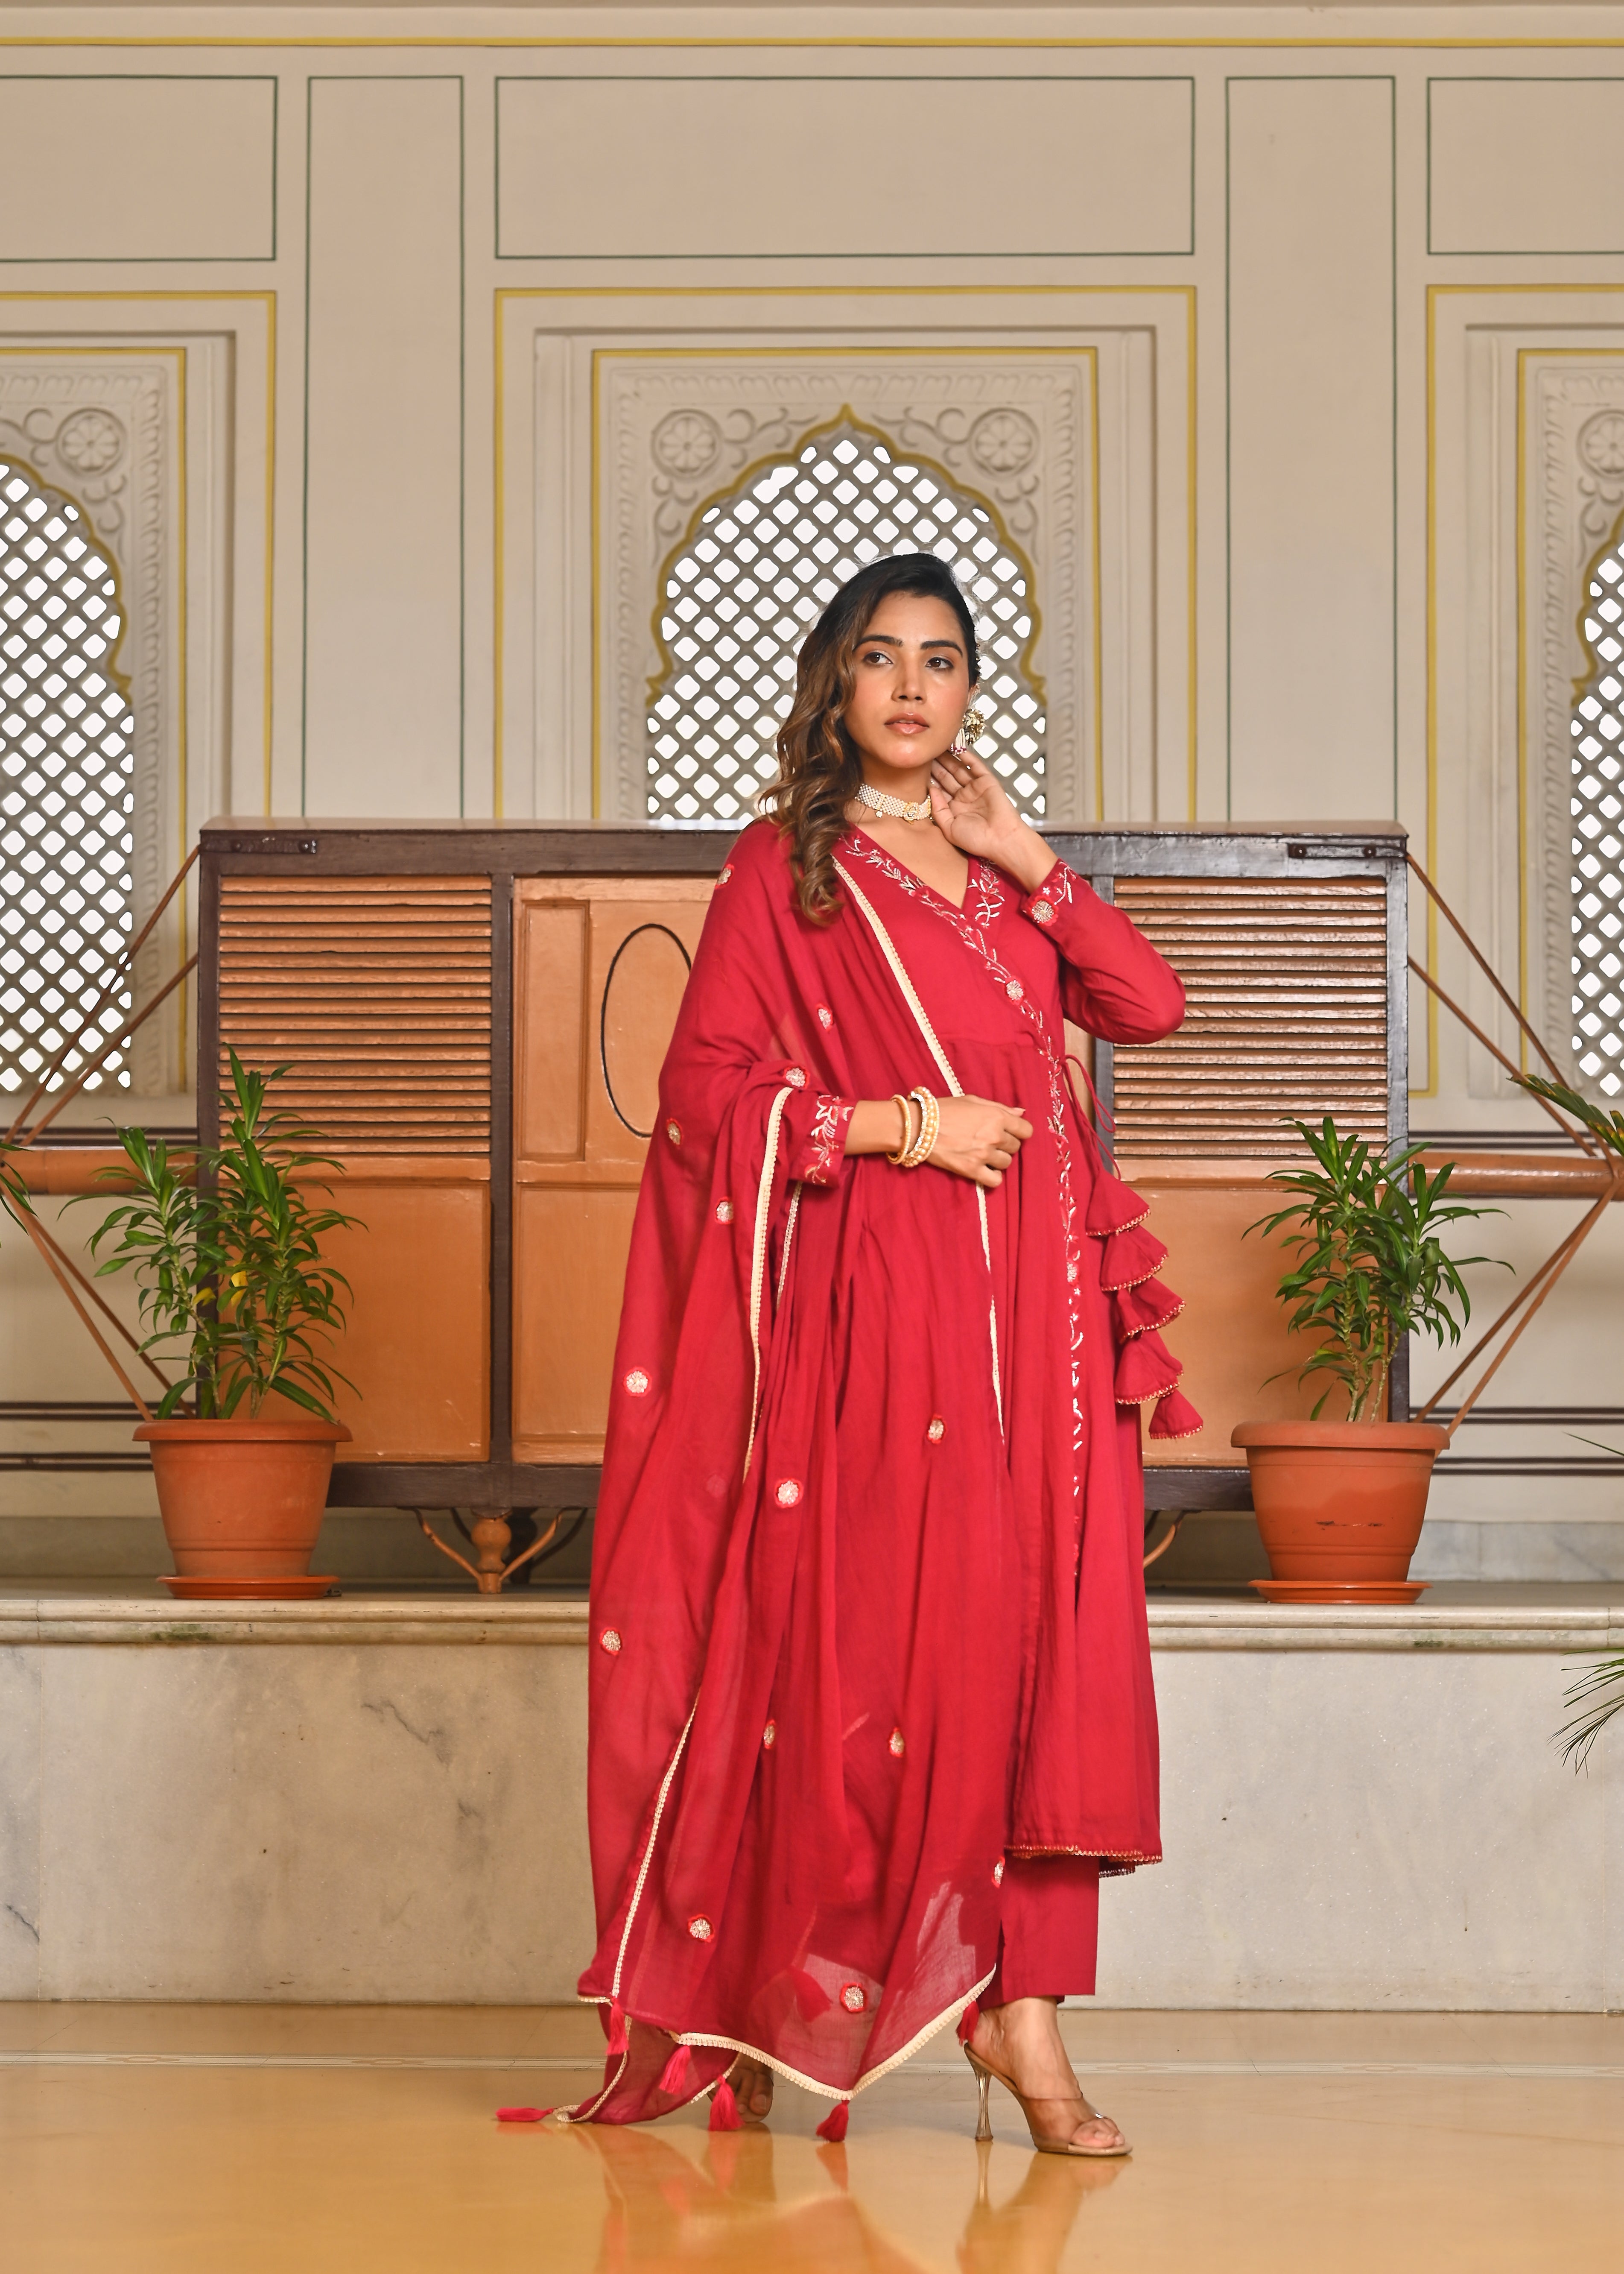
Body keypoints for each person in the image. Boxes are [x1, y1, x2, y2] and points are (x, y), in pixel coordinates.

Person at [556, 553, 1197, 2153]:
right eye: (881, 658)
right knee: (869, 1648)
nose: (914, 687)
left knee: (1038, 1649)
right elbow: (703, 1092)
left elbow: (1148, 1005)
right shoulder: (786, 868)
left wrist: (1025, 854)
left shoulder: (995, 872)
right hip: (887, 1307)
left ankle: (1024, 2012)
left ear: (974, 689)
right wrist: (900, 1124)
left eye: (944, 660)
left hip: (1044, 1327)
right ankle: (787, 1983)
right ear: (835, 683)